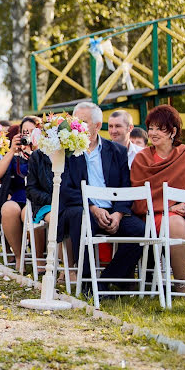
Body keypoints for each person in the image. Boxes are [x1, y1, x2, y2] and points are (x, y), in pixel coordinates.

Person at [58, 102, 146, 292]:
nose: (77, 126)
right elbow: (66, 189)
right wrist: (92, 207)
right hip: (82, 208)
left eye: (82, 122)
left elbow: (125, 186)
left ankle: (106, 281)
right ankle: (89, 283)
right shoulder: (66, 152)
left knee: (140, 230)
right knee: (83, 218)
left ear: (97, 126)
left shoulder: (117, 151)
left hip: (112, 210)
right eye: (74, 121)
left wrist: (119, 214)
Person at [131, 105, 185, 293]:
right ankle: (181, 286)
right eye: (151, 128)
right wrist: (170, 207)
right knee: (176, 224)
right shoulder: (142, 159)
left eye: (159, 128)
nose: (153, 133)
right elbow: (139, 199)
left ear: (173, 131)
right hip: (158, 213)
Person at [0, 117, 41, 272]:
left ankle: (39, 258)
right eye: (25, 132)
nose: (28, 135)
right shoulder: (15, 156)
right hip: (19, 196)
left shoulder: (45, 153)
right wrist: (12, 150)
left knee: (30, 212)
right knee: (8, 209)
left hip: (38, 197)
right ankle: (19, 256)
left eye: (32, 132)